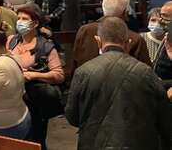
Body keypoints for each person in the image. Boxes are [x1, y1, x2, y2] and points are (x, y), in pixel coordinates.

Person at [65, 17, 171, 150]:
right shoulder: (145, 72)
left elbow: (72, 116)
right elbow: (163, 117)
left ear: (98, 41)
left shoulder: (83, 72)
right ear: (128, 42)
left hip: (93, 144)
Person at [8, 5, 64, 150]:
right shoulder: (11, 41)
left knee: (35, 140)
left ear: (35, 23)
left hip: (34, 102)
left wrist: (33, 75)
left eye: (24, 19)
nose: (20, 22)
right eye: (18, 18)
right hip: (12, 100)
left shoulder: (46, 46)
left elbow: (59, 75)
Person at [72, 0, 150, 72]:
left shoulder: (84, 31)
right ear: (126, 13)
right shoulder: (136, 39)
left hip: (86, 78)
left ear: (103, 8)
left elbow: (75, 64)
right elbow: (146, 72)